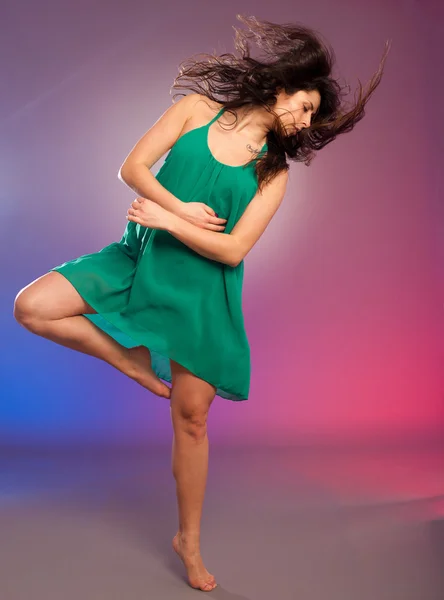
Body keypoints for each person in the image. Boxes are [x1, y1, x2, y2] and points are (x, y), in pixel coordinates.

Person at [13, 15, 390, 592]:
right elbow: (132, 168)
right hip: (137, 260)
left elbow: (235, 249)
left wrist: (169, 217)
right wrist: (175, 209)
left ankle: (187, 540)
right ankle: (129, 360)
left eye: (312, 116)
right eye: (306, 106)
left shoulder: (274, 172)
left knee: (191, 421)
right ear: (283, 87)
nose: (305, 120)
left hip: (202, 294)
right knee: (32, 306)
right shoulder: (195, 110)